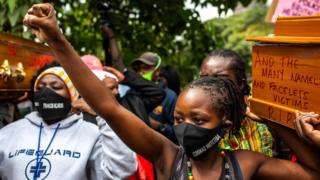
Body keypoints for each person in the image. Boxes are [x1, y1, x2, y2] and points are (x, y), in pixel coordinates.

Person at [23, 4, 320, 179]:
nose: (185, 129)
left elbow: (312, 173)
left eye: (199, 120)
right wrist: (57, 39)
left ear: (225, 126)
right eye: (178, 119)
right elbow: (108, 108)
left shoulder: (245, 163)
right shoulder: (167, 156)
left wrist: (273, 121)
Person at [0, 62, 136, 179]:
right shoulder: (9, 132)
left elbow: (122, 169)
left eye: (56, 87)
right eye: (40, 88)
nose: (46, 93)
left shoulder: (92, 133)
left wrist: (103, 116)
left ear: (72, 94)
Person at [200, 49, 275, 157]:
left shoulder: (262, 116)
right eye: (204, 79)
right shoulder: (197, 122)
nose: (209, 86)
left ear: (241, 84)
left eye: (220, 79)